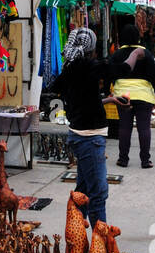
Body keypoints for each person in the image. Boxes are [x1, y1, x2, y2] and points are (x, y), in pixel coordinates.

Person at [48, 27, 113, 230]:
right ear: (91, 47)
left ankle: (75, 234)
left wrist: (109, 99)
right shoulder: (86, 66)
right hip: (89, 137)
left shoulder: (72, 67)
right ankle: (99, 243)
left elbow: (79, 98)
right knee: (98, 192)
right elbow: (120, 69)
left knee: (84, 189)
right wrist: (137, 53)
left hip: (81, 135)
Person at [107, 25, 155, 169]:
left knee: (124, 128)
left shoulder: (117, 54)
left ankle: (123, 159)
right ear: (138, 37)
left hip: (123, 95)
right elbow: (154, 76)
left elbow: (109, 73)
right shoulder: (146, 53)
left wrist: (109, 89)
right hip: (143, 95)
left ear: (122, 38)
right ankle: (145, 160)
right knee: (144, 128)